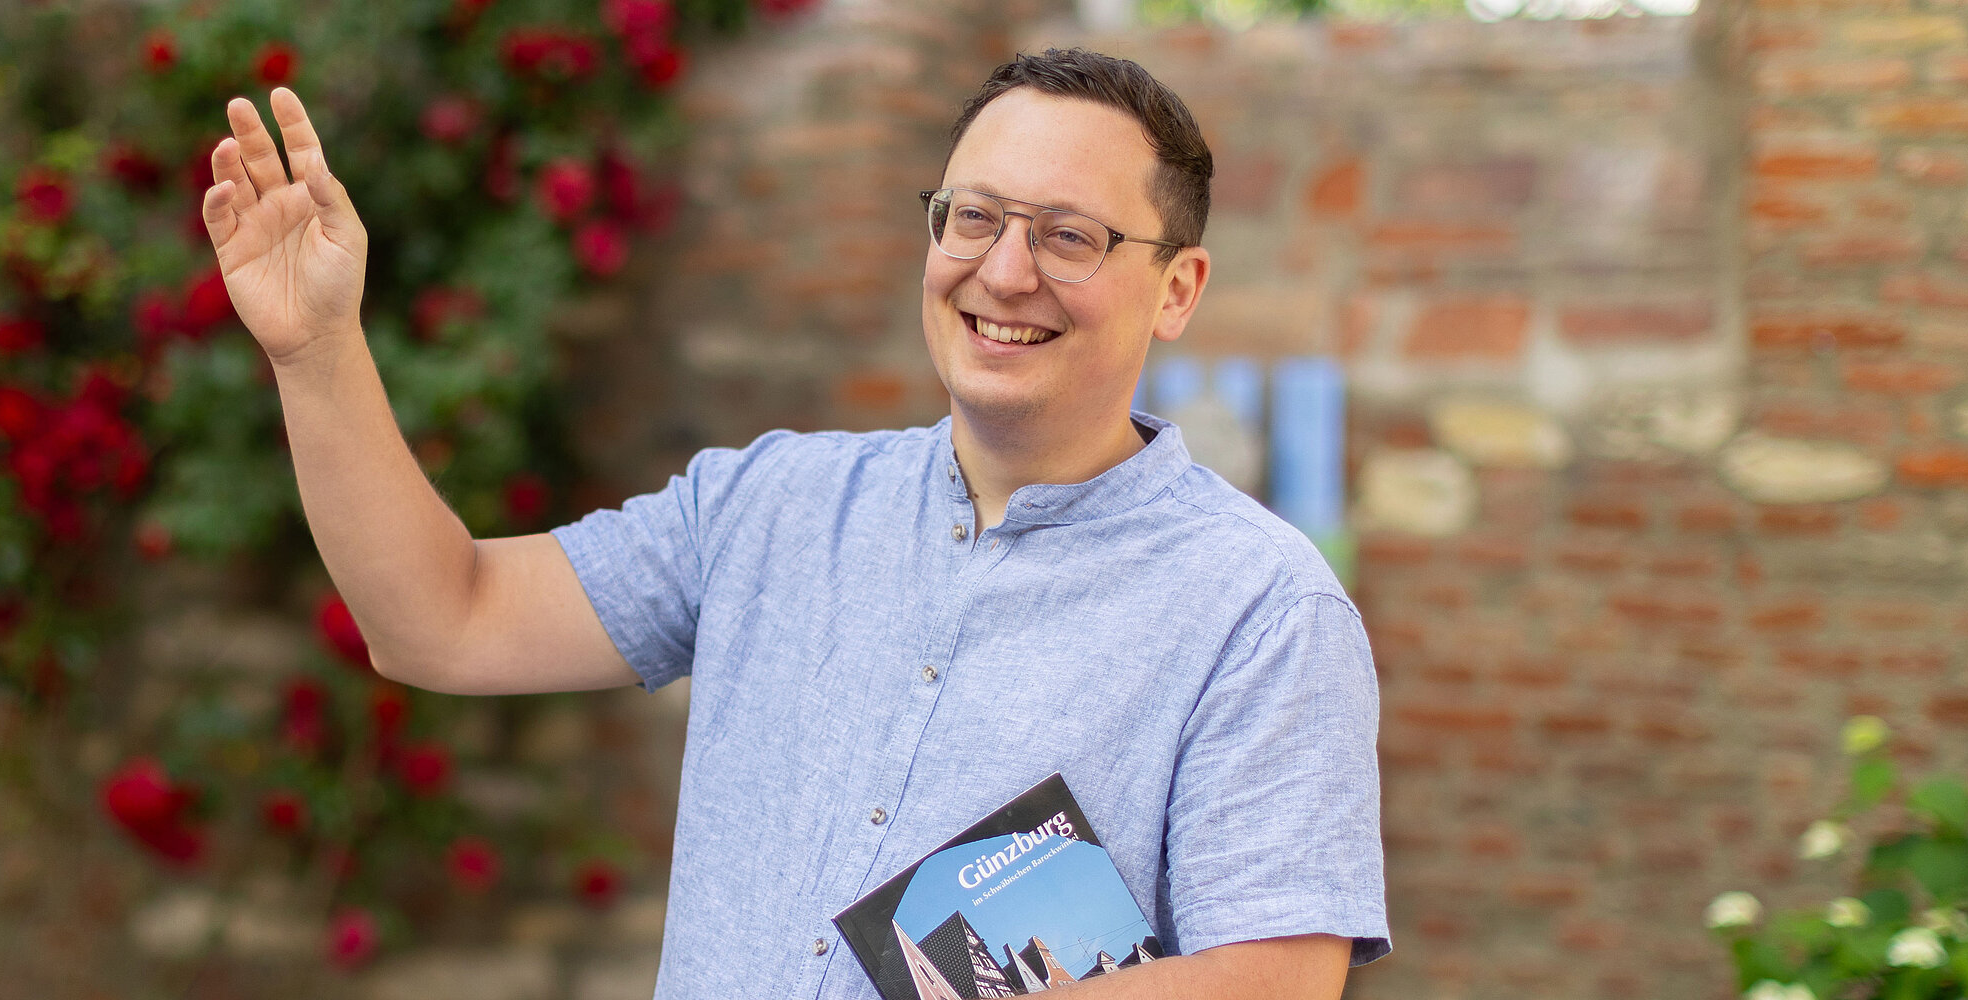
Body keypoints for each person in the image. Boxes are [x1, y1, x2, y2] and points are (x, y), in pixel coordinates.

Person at [200, 47, 1386, 999]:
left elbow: (1280, 974)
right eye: (972, 218)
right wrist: (314, 348)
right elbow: (439, 620)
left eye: (1069, 236)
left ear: (1177, 288)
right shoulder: (764, 503)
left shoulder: (1263, 607)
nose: (1005, 270)